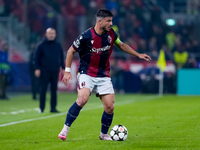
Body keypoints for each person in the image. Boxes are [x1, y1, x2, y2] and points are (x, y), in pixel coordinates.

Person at [58, 8, 151, 141]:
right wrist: (67, 71)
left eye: (111, 20)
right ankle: (65, 130)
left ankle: (104, 134)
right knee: (82, 99)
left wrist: (138, 54)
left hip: (103, 75)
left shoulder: (111, 34)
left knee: (109, 106)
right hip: (86, 73)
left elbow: (122, 45)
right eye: (108, 21)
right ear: (100, 22)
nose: (111, 23)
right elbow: (70, 51)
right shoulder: (86, 36)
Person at [35, 28, 65, 113]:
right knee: (43, 90)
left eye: (53, 33)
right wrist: (37, 68)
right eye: (50, 33)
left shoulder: (58, 45)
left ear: (55, 35)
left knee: (54, 90)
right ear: (46, 34)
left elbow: (61, 57)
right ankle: (41, 108)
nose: (51, 35)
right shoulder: (41, 45)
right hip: (44, 71)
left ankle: (53, 108)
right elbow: (36, 58)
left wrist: (63, 68)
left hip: (55, 71)